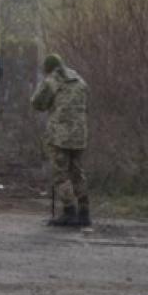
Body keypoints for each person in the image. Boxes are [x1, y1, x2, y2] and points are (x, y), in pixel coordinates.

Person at [31, 54, 90, 227]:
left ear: (48, 68)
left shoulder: (51, 81)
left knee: (61, 174)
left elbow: (37, 103)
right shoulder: (80, 80)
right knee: (78, 173)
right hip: (80, 135)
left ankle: (69, 211)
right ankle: (84, 213)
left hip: (60, 137)